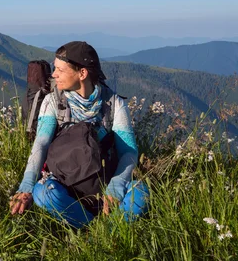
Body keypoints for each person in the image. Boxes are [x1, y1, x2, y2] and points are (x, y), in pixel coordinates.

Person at [9, 41, 149, 228]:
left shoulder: (114, 104)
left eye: (60, 69)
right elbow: (41, 143)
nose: (53, 74)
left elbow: (129, 152)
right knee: (43, 193)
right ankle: (98, 230)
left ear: (82, 73)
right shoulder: (52, 102)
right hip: (65, 183)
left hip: (105, 184)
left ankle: (98, 230)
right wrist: (26, 186)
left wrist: (116, 186)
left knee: (141, 194)